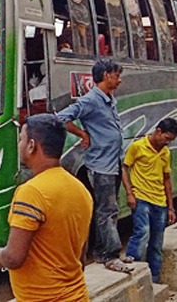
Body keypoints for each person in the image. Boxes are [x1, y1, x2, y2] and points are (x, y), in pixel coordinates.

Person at [0, 114, 92, 301]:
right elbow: (80, 257)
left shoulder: (31, 192)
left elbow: (14, 257)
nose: (19, 145)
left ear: (31, 146)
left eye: (21, 139)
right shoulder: (81, 190)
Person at [57, 58, 131, 273]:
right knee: (107, 210)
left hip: (112, 162)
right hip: (101, 165)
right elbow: (62, 118)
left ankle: (101, 251)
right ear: (106, 75)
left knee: (108, 209)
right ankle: (110, 255)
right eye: (117, 75)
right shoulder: (91, 100)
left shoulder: (109, 98)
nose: (119, 80)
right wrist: (81, 133)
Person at [122, 118, 177, 282]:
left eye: (171, 140)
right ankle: (134, 271)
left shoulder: (165, 153)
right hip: (141, 198)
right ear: (158, 131)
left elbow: (167, 180)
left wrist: (171, 207)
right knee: (142, 233)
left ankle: (153, 279)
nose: (168, 143)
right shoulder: (137, 147)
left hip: (160, 201)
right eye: (167, 138)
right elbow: (124, 168)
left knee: (157, 241)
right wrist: (129, 192)